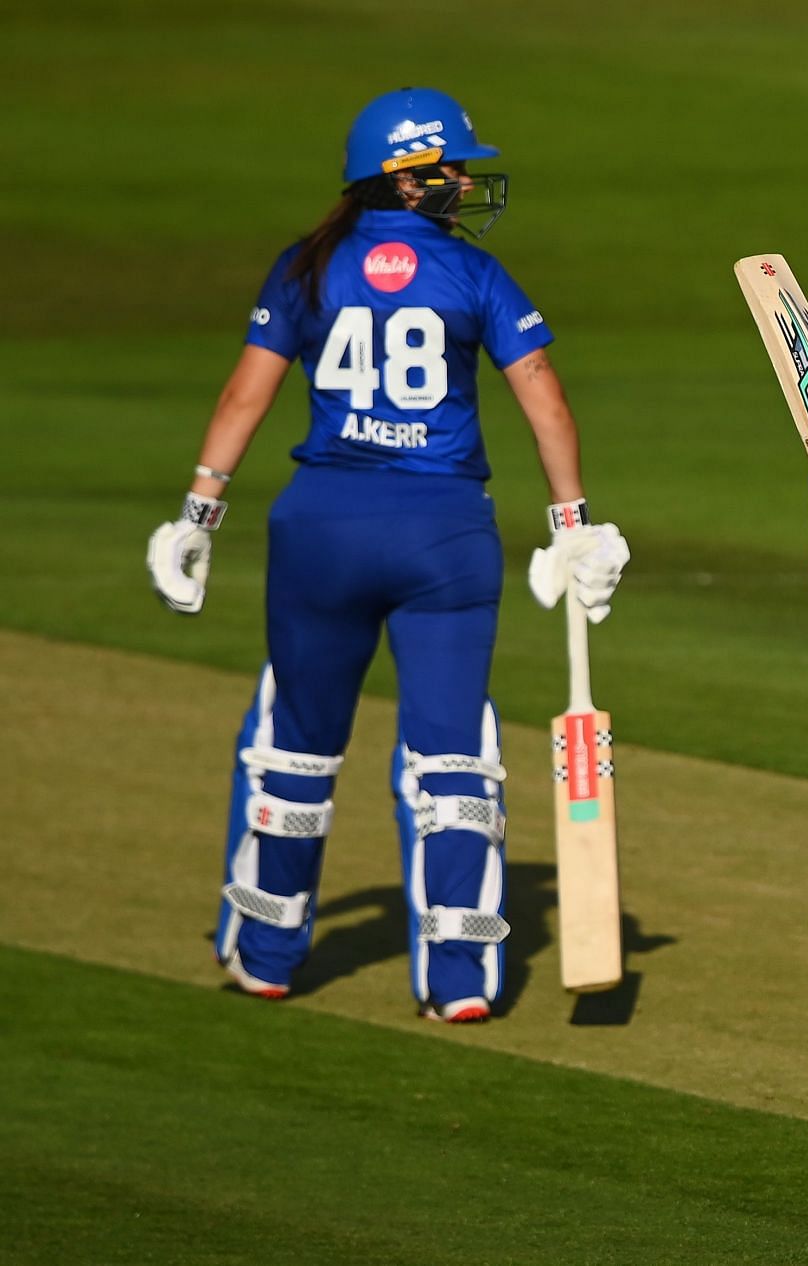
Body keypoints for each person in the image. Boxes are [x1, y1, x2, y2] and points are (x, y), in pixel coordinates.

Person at [144, 87, 630, 1022]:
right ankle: (460, 978)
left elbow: (244, 398)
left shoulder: (307, 268)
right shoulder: (475, 274)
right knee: (454, 762)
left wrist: (198, 516)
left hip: (320, 529)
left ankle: (268, 947)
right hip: (444, 538)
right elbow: (546, 402)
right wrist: (573, 526)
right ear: (403, 180)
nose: (462, 181)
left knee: (294, 749)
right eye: (448, 167)